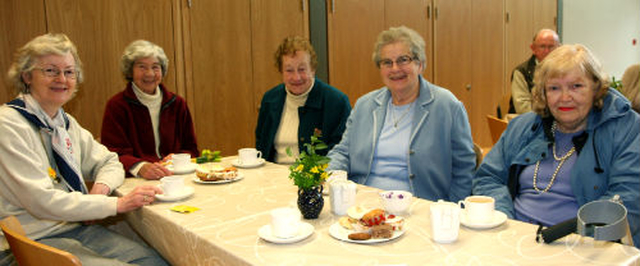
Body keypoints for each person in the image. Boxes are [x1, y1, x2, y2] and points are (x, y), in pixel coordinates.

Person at [0, 33, 167, 265]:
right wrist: (116, 204)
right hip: (27, 242)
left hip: (71, 230)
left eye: (69, 72)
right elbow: (42, 201)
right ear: (27, 76)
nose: (62, 79)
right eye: (50, 70)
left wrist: (100, 190)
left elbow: (110, 161)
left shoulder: (64, 123)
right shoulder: (8, 125)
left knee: (156, 261)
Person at [473, 44, 640, 247]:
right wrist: (506, 223)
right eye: (554, 88)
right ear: (543, 93)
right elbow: (488, 177)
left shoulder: (626, 129)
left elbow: (628, 198)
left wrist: (574, 239)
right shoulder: (523, 126)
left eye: (576, 86)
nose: (564, 97)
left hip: (584, 245)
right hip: (514, 238)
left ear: (596, 88)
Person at [327, 26, 476, 202]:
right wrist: (333, 178)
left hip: (420, 206)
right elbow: (343, 152)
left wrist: (453, 210)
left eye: (403, 60)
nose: (395, 68)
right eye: (387, 62)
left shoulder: (447, 106)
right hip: (363, 203)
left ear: (419, 64)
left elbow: (464, 167)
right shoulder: (364, 105)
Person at [102, 40, 198, 179]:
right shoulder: (117, 106)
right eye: (142, 67)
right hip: (136, 180)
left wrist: (178, 157)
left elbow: (192, 149)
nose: (150, 73)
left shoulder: (177, 104)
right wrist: (140, 166)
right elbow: (112, 154)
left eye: (155, 67)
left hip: (175, 176)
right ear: (130, 71)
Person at [255, 36, 351, 164]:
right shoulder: (270, 100)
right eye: (289, 70)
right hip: (273, 178)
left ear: (312, 69)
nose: (296, 77)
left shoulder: (336, 102)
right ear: (281, 72)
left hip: (316, 178)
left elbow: (342, 152)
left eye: (302, 69)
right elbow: (261, 146)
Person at [511, 29, 560, 114]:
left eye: (551, 47)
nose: (547, 51)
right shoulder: (521, 72)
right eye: (542, 46)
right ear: (533, 49)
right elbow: (523, 108)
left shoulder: (566, 70)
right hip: (532, 121)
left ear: (559, 48)